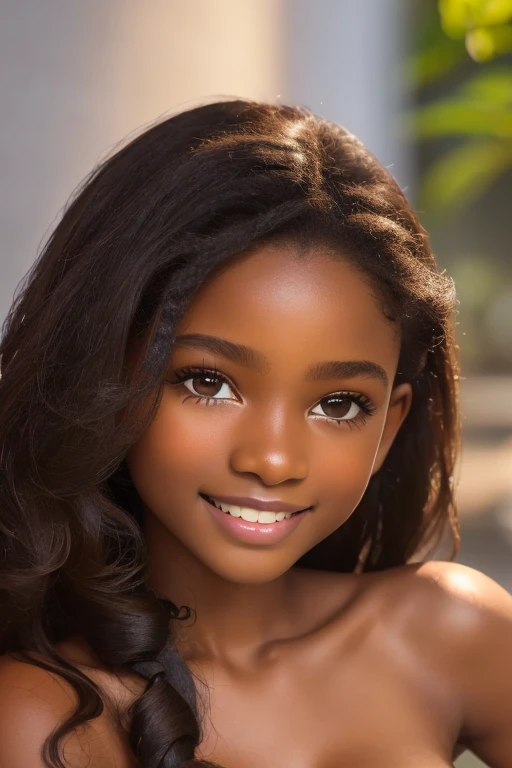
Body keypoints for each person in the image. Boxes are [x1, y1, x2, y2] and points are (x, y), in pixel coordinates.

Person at [0, 99, 511, 768]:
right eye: (208, 383)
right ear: (107, 380)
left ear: (390, 426)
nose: (273, 460)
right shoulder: (48, 719)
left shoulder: (452, 631)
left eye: (337, 403)